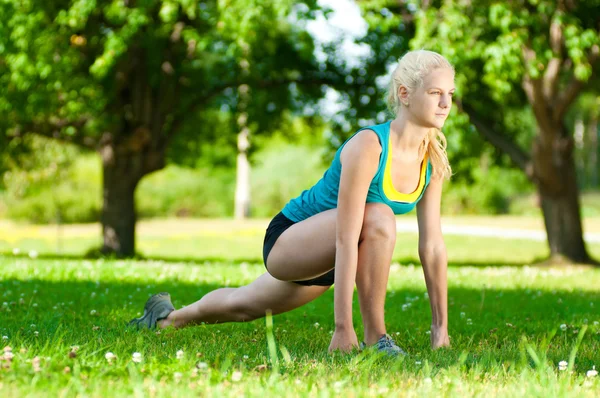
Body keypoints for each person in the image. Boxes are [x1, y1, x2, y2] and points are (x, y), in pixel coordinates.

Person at [129, 49, 454, 355]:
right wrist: (342, 327)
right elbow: (346, 233)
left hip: (334, 260)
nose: (445, 103)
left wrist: (440, 329)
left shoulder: (433, 157)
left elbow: (433, 246)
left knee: (242, 307)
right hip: (292, 239)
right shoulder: (370, 145)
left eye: (450, 94)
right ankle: (376, 339)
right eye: (435, 93)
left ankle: (165, 318)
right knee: (380, 216)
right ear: (404, 93)